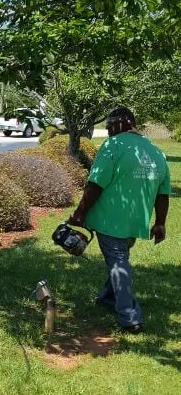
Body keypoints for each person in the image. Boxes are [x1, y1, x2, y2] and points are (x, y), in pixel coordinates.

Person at [69, 106, 171, 333]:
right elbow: (162, 195)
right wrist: (160, 223)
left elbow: (95, 184)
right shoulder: (156, 152)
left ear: (121, 123)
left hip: (110, 220)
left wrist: (79, 214)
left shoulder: (113, 146)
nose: (107, 131)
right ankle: (107, 298)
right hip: (135, 222)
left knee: (118, 263)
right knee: (120, 259)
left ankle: (130, 317)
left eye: (108, 126)